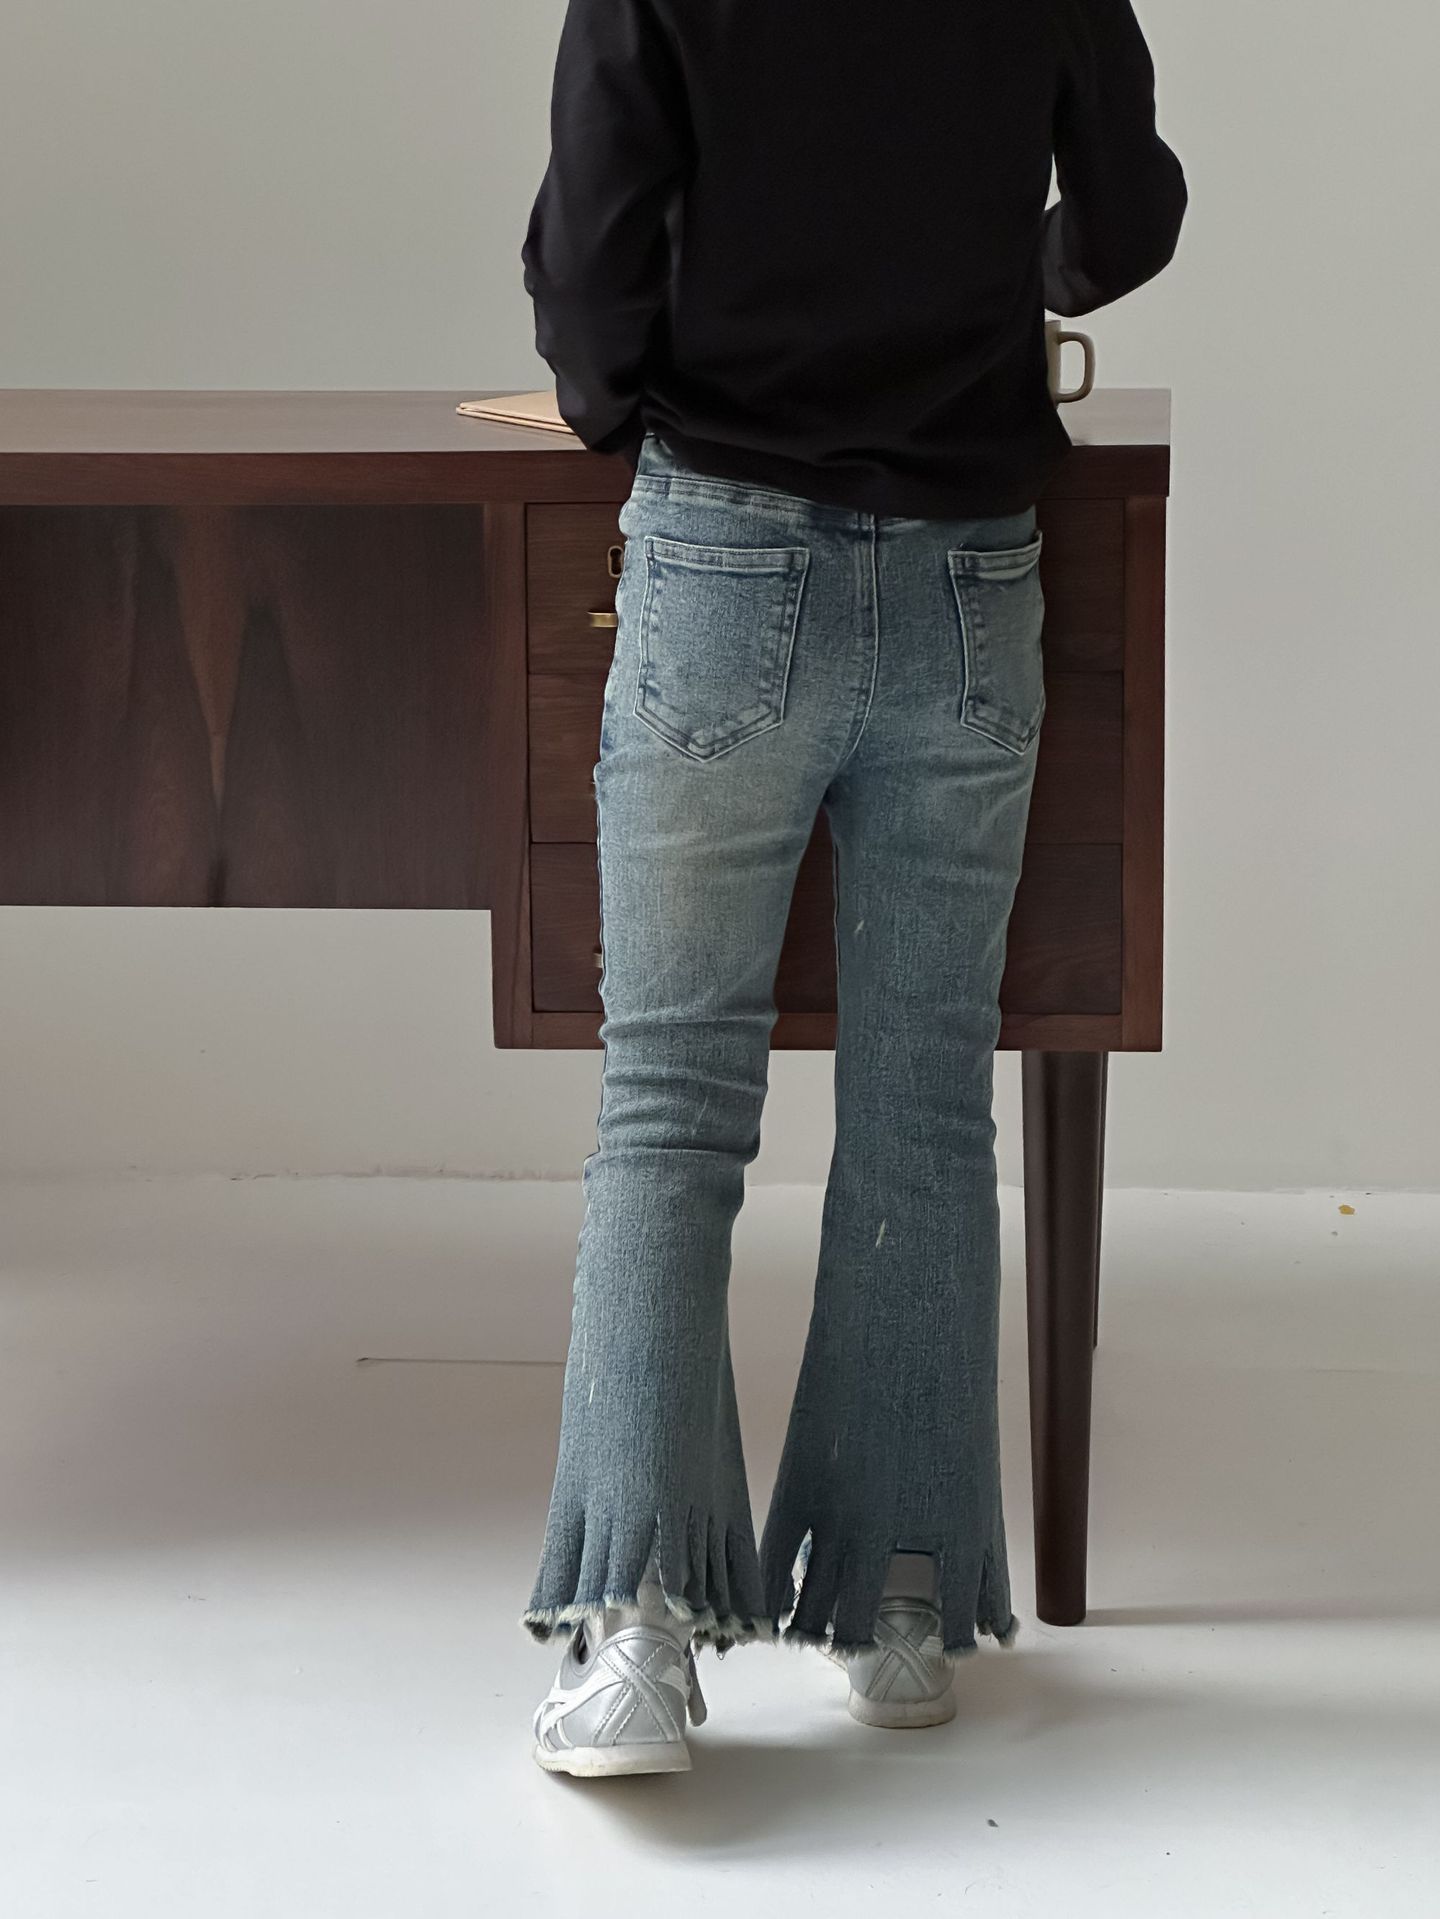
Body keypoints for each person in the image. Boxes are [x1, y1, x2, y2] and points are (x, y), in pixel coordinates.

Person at [518, 0, 1186, 1776]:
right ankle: (901, 1604)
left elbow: (587, 253)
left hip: (725, 546)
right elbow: (1127, 217)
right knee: (924, 1100)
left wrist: (623, 400)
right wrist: (991, 277)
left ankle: (636, 1641)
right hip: (969, 571)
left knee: (670, 1098)